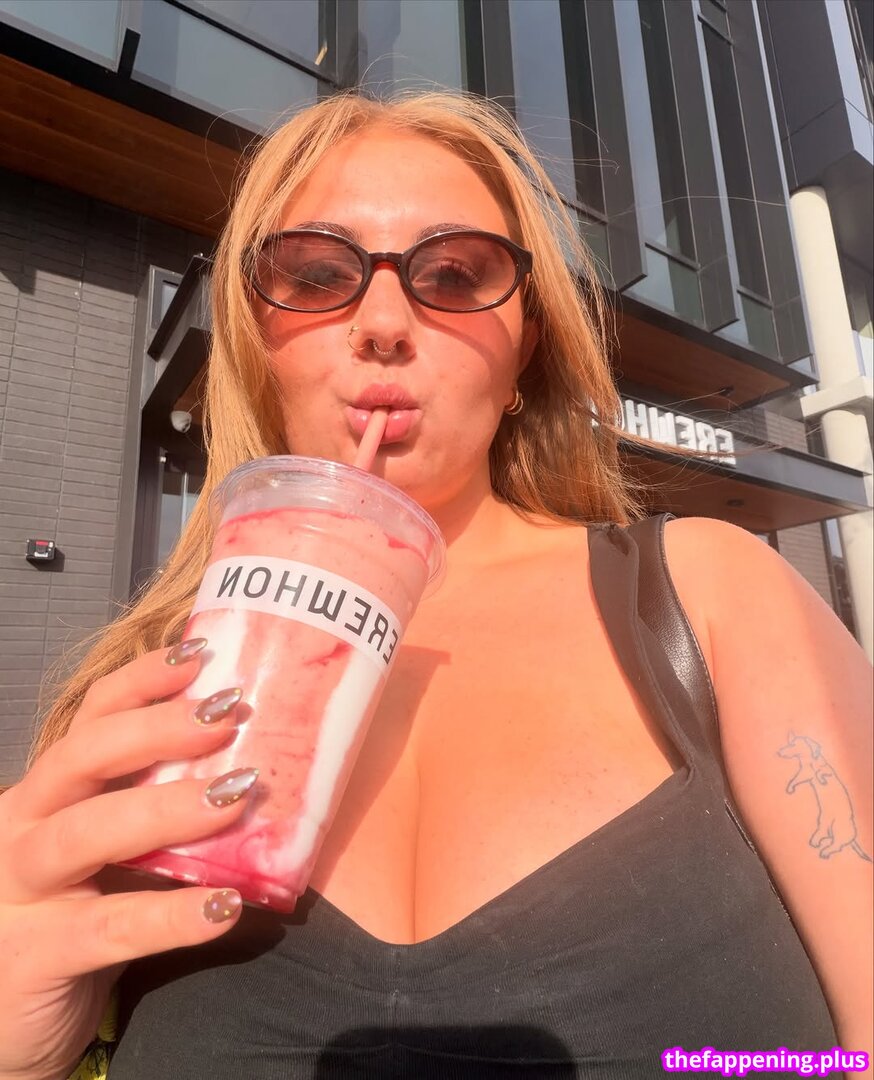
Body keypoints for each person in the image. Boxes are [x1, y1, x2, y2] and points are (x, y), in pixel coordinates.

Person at [1, 90, 871, 1080]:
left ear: (524, 349)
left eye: (456, 275)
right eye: (317, 274)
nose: (382, 323)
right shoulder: (150, 706)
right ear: (258, 336)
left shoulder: (708, 597)